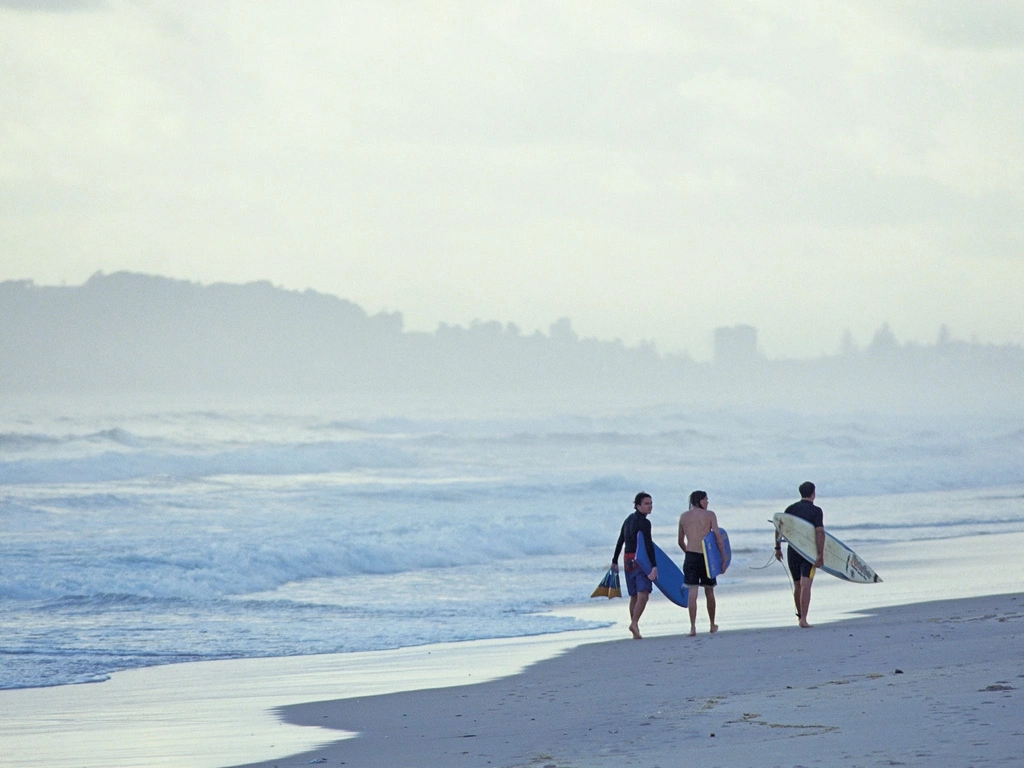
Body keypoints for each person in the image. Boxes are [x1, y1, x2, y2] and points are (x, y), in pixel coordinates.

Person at [775, 481, 825, 628]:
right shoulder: (816, 511)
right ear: (813, 493)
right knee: (806, 585)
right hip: (809, 553)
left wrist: (777, 548)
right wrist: (821, 554)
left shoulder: (790, 509)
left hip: (793, 551)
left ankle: (799, 617)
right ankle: (803, 619)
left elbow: (778, 527)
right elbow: (819, 532)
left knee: (797, 584)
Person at [677, 490, 726, 636]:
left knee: (692, 592)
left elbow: (680, 541)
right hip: (707, 557)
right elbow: (717, 536)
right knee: (709, 591)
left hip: (691, 556)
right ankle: (712, 624)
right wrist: (723, 558)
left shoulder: (683, 517)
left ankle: (692, 627)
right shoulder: (710, 515)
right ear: (699, 500)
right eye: (706, 500)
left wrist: (689, 553)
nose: (707, 502)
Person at [611, 492, 659, 639]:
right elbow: (648, 545)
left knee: (634, 596)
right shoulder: (645, 523)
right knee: (643, 594)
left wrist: (614, 560)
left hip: (627, 559)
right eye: (646, 503)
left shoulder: (628, 519)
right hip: (640, 560)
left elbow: (620, 540)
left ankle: (635, 627)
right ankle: (634, 623)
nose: (650, 506)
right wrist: (654, 566)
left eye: (651, 503)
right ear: (638, 506)